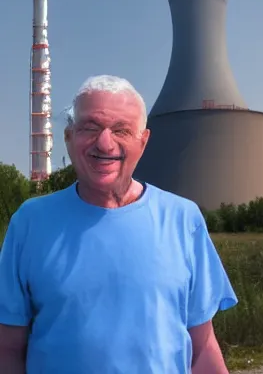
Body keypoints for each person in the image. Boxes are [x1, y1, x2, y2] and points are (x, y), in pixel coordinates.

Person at [0, 75, 238, 373]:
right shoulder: (30, 221)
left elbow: (202, 347)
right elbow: (7, 349)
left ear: (144, 140)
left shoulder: (182, 219)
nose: (104, 143)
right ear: (68, 137)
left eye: (121, 130)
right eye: (90, 127)